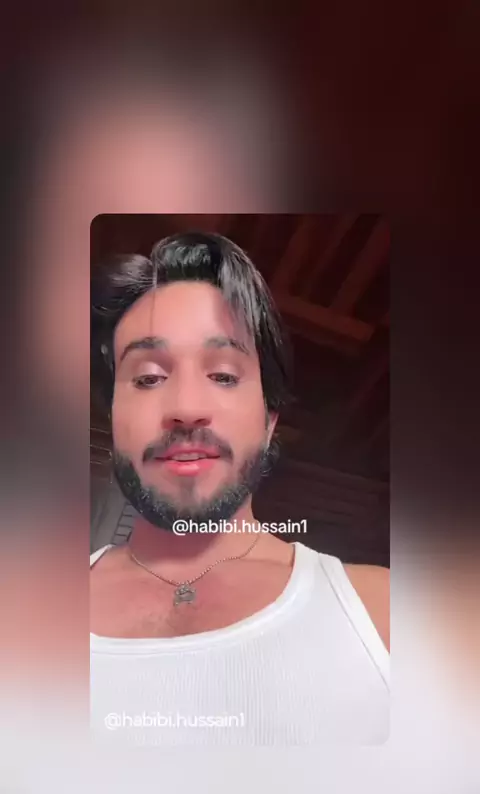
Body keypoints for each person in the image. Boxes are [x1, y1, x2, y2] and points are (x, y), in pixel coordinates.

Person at [90, 231, 390, 745]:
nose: (186, 408)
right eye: (148, 378)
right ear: (113, 418)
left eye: (225, 376)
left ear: (269, 422)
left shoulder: (386, 615)